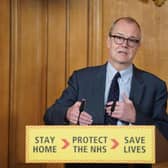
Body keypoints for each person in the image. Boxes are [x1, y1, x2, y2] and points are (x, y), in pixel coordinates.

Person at [44, 17, 168, 168]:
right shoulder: (81, 78)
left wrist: (135, 117)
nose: (124, 44)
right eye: (118, 37)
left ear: (138, 46)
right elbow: (50, 115)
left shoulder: (155, 85)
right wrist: (68, 113)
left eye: (132, 40)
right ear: (108, 41)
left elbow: (164, 134)